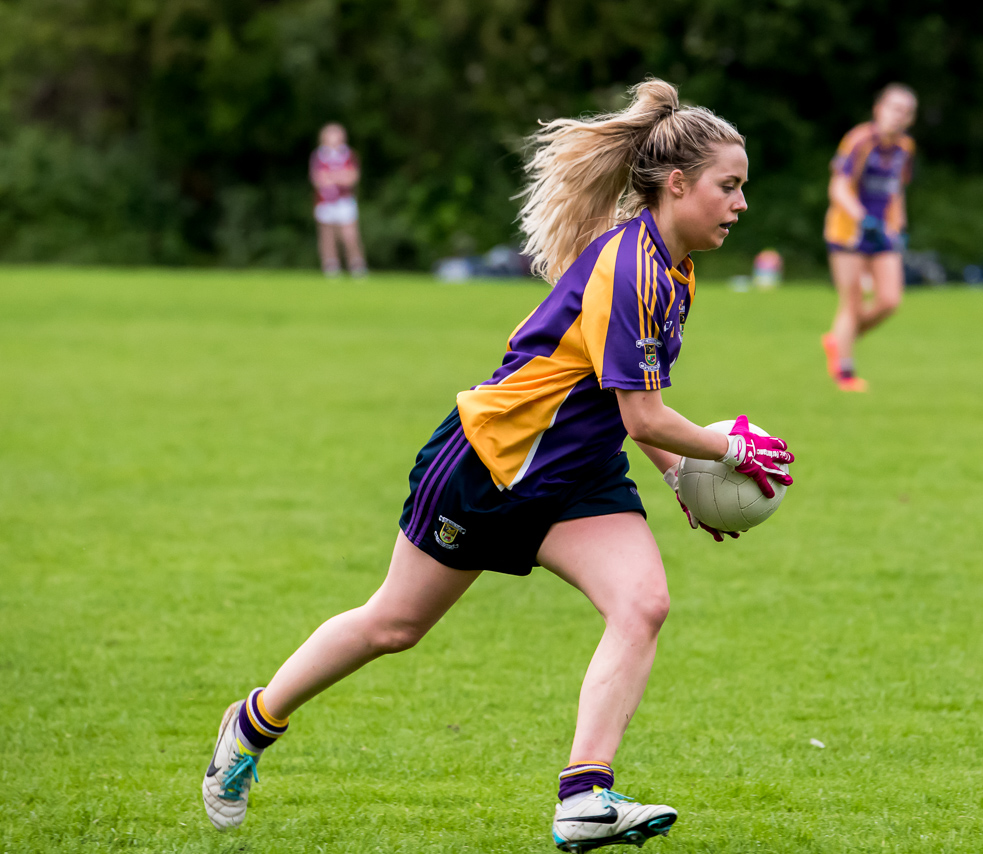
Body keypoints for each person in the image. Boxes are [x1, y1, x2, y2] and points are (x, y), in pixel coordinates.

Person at [202, 79, 795, 853]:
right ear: (677, 184)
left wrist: (680, 476)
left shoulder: (672, 269)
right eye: (729, 186)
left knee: (642, 603)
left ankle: (584, 796)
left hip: (576, 473)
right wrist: (728, 450)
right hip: (491, 461)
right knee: (394, 624)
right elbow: (643, 415)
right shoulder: (634, 268)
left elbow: (633, 400)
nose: (740, 203)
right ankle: (250, 726)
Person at [821, 84, 917, 392]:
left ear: (910, 118)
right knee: (852, 301)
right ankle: (845, 373)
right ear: (878, 109)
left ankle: (838, 340)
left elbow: (895, 191)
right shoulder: (859, 140)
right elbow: (837, 188)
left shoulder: (905, 148)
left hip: (882, 233)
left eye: (904, 111)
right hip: (848, 231)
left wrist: (898, 227)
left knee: (890, 300)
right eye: (893, 107)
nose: (897, 116)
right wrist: (864, 219)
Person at [310, 122, 368, 278]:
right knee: (327, 236)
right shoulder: (319, 155)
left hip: (345, 201)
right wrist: (339, 176)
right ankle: (331, 267)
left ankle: (357, 266)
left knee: (350, 236)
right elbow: (318, 179)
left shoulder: (348, 154)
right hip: (325, 201)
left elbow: (352, 177)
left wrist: (333, 177)